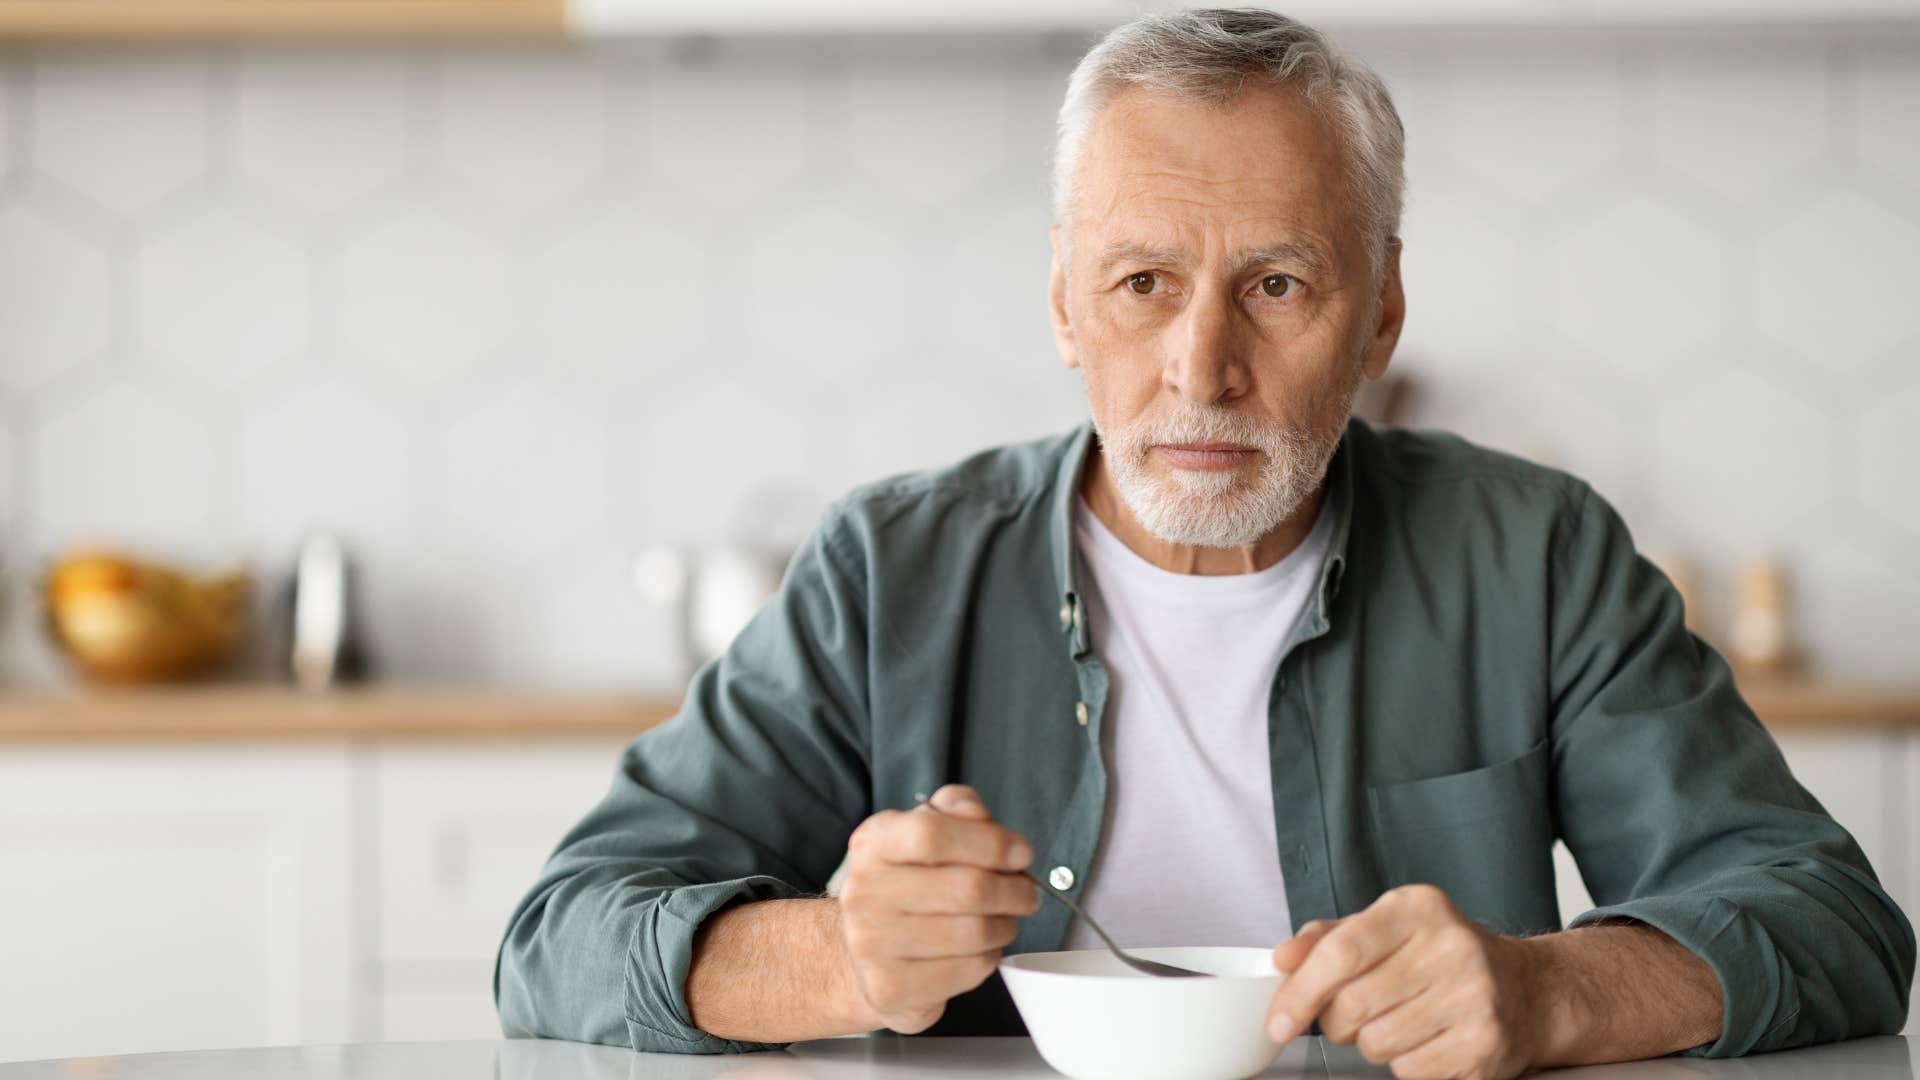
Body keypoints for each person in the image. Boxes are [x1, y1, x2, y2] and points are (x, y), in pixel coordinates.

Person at [495, 9, 1913, 1076]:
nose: (1203, 369)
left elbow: (1833, 922)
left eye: (1278, 284)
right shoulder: (889, 571)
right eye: (1141, 283)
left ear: (1382, 313)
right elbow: (559, 938)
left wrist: (1552, 993)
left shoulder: (1535, 556)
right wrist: (837, 959)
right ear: (1064, 305)